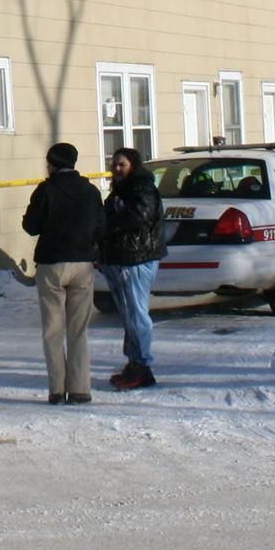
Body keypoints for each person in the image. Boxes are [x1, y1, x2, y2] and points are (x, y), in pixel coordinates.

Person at [21, 141, 103, 404]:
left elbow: (31, 226)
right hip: (82, 264)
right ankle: (80, 389)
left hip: (52, 263)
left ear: (52, 164)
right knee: (78, 330)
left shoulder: (45, 190)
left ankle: (57, 389)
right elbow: (102, 227)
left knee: (52, 329)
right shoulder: (90, 191)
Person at [99, 146, 165, 390]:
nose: (116, 168)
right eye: (114, 164)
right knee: (128, 315)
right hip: (119, 259)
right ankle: (134, 362)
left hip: (137, 258)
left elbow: (139, 217)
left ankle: (144, 367)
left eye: (122, 164)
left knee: (137, 315)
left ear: (133, 166)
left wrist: (108, 223)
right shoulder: (121, 190)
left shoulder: (142, 189)